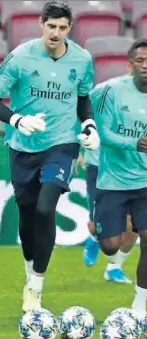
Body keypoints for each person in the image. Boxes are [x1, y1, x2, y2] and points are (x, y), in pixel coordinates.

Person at [0, 0, 99, 313]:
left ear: (69, 29)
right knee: (28, 213)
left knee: (46, 208)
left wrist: (88, 124)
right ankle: (28, 269)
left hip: (62, 143)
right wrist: (17, 120)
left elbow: (83, 99)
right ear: (41, 24)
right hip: (22, 145)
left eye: (63, 28)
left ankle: (36, 284)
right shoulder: (20, 57)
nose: (56, 33)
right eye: (52, 26)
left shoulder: (82, 59)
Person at [90, 39, 147, 317]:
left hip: (145, 182)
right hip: (112, 181)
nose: (146, 66)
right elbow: (104, 134)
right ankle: (108, 254)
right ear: (130, 65)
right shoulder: (109, 91)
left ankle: (139, 307)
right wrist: (134, 142)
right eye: (140, 61)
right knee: (110, 244)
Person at [80, 141, 136, 283]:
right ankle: (94, 239)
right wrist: (76, 153)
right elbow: (76, 125)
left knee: (133, 224)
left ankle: (114, 267)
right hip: (99, 168)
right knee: (97, 225)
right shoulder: (95, 118)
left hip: (129, 169)